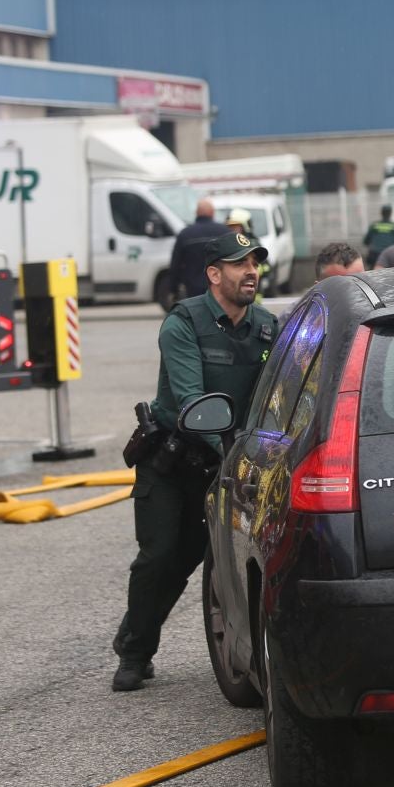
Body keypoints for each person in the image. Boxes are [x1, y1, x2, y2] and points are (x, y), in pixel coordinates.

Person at [111, 230, 279, 693]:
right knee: (159, 556)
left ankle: (132, 632)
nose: (251, 272)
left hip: (222, 469)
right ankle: (135, 654)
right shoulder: (182, 323)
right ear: (213, 274)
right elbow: (192, 401)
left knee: (187, 561)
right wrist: (230, 449)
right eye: (240, 264)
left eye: (255, 263)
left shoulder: (268, 327)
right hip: (171, 463)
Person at [168, 197, 220, 300]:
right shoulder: (225, 232)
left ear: (196, 213)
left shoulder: (185, 234)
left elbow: (175, 264)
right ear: (213, 213)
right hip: (218, 288)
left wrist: (173, 289)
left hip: (193, 291)